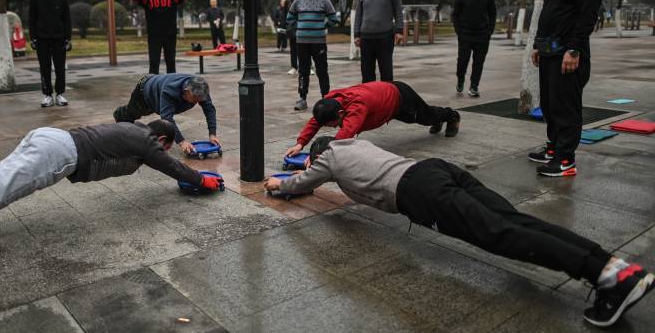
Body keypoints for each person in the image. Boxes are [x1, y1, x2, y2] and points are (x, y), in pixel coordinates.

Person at [267, 136, 654, 329]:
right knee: (517, 222)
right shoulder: (358, 142)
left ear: (321, 153)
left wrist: (277, 184)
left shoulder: (328, 157)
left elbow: (300, 183)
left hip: (420, 192)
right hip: (438, 168)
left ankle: (607, 277)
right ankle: (615, 267)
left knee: (502, 234)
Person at [0, 120, 224, 263]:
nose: (164, 151)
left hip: (49, 136)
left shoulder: (133, 129)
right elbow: (171, 167)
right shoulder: (148, 141)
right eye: (165, 146)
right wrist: (200, 181)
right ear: (162, 140)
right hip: (60, 154)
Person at [528, 0, 607, 178]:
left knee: (566, 108)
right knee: (550, 106)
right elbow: (548, 15)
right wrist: (537, 45)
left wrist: (574, 50)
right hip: (549, 52)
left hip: (568, 56)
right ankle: (553, 148)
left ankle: (566, 160)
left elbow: (587, 17)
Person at [285, 81, 460, 157]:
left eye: (333, 125)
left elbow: (344, 135)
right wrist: (300, 143)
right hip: (385, 97)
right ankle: (437, 120)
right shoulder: (331, 102)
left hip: (401, 98)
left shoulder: (357, 107)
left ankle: (452, 116)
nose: (333, 128)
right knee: (427, 117)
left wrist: (318, 156)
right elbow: (316, 120)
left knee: (426, 116)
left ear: (340, 114)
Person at [112, 74, 219, 156]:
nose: (198, 101)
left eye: (200, 99)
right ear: (186, 91)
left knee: (154, 109)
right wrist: (182, 142)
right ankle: (119, 115)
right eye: (195, 99)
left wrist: (212, 134)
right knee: (133, 113)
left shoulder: (201, 88)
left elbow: (209, 109)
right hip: (144, 90)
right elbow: (167, 118)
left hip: (158, 89)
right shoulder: (170, 90)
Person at [287, 0, 340, 111]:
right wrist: (296, 30)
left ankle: (326, 97)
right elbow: (290, 18)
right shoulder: (298, 1)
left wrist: (323, 26)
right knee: (303, 71)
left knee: (322, 71)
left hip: (319, 43)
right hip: (302, 43)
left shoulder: (325, 1)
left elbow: (334, 19)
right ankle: (302, 99)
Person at [354, 0, 404, 83]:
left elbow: (398, 10)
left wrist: (399, 31)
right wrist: (356, 34)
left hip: (385, 37)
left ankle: (388, 101)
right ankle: (369, 101)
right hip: (366, 39)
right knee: (367, 75)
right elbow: (358, 14)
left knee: (386, 74)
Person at [28, 0, 72, 108]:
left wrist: (68, 38)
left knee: (60, 69)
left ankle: (59, 94)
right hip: (42, 40)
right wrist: (33, 38)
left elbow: (67, 20)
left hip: (59, 39)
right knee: (44, 68)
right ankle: (47, 95)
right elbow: (31, 20)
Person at [132, 0, 190, 74]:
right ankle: (153, 86)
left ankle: (171, 85)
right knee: (154, 62)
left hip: (170, 33)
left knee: (171, 62)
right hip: (154, 34)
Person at [451, 0, 497, 97]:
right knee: (462, 61)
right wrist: (459, 31)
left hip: (482, 35)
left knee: (478, 62)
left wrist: (490, 31)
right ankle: (460, 79)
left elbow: (492, 14)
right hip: (465, 35)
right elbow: (455, 15)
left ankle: (474, 86)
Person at [286, 0, 302, 75]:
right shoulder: (289, 1)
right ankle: (294, 67)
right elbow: (286, 16)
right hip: (292, 29)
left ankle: (307, 66)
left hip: (302, 29)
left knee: (305, 49)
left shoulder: (305, 0)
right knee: (293, 49)